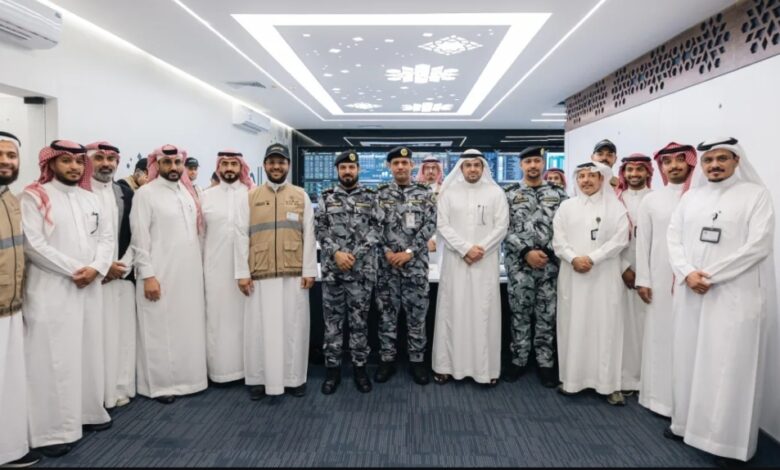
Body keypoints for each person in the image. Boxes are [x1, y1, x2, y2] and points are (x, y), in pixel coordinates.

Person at [666, 138, 775, 464]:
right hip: (691, 292)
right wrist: (687, 273)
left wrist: (709, 275)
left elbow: (758, 245)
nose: (714, 165)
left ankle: (725, 442)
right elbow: (673, 238)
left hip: (733, 295)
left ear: (736, 161)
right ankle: (684, 424)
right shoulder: (691, 198)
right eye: (709, 159)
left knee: (728, 366)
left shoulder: (756, 195)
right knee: (688, 358)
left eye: (722, 158)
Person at [22, 140, 114, 457]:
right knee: (53, 358)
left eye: (78, 162)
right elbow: (33, 245)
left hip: (89, 287)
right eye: (66, 161)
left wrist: (97, 267)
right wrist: (78, 270)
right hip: (51, 289)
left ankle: (87, 412)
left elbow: (106, 239)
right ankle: (51, 431)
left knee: (87, 351)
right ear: (51, 164)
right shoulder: (33, 196)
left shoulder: (91, 198)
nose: (74, 167)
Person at [236, 144, 316, 400]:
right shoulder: (250, 197)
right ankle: (259, 380)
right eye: (272, 162)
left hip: (293, 273)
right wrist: (242, 273)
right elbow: (240, 236)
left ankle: (294, 379)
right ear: (265, 165)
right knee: (259, 330)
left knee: (293, 328)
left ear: (288, 165)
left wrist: (309, 270)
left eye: (281, 162)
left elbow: (309, 234)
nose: (276, 166)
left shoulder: (301, 196)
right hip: (259, 273)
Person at [130, 144, 207, 404]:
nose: (173, 168)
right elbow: (139, 238)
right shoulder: (146, 194)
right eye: (167, 163)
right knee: (160, 329)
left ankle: (191, 380)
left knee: (187, 328)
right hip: (159, 274)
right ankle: (161, 386)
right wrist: (147, 275)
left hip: (189, 276)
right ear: (157, 165)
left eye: (177, 163)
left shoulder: (187, 193)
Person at [552, 162, 629, 406]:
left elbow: (620, 240)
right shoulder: (566, 207)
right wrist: (574, 258)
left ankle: (608, 385)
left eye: (591, 176)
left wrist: (592, 258)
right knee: (573, 325)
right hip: (573, 275)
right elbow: (558, 240)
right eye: (581, 176)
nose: (586, 180)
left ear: (601, 179)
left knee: (605, 328)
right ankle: (572, 380)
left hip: (604, 276)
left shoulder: (616, 208)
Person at [431, 149, 508, 386]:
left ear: (483, 167)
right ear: (461, 168)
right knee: (452, 311)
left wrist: (479, 249)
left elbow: (502, 226)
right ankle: (446, 367)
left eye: (477, 165)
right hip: (456, 262)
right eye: (468, 165)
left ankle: (486, 370)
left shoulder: (495, 193)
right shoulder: (448, 193)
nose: (473, 169)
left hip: (485, 262)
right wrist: (465, 249)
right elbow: (442, 225)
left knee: (484, 314)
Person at [634, 142, 697, 417]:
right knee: (660, 336)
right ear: (661, 167)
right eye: (667, 162)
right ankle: (658, 399)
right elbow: (643, 242)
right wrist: (643, 279)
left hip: (693, 280)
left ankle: (687, 403)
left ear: (690, 163)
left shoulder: (699, 197)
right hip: (659, 277)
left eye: (679, 160)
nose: (674, 166)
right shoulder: (652, 200)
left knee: (689, 339)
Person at [503, 147, 568, 387]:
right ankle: (518, 360)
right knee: (519, 313)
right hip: (519, 265)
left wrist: (547, 252)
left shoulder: (558, 194)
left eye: (537, 161)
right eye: (528, 161)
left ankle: (545, 362)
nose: (533, 165)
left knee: (546, 314)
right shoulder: (509, 194)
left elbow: (566, 227)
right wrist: (525, 252)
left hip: (550, 266)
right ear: (521, 165)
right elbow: (502, 228)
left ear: (543, 164)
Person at [316, 150, 378, 394]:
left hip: (361, 274)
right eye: (343, 168)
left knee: (359, 323)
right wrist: (336, 253)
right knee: (332, 324)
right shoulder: (326, 197)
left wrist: (354, 255)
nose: (347, 171)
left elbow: (377, 229)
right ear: (338, 171)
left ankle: (360, 369)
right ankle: (332, 371)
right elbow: (319, 228)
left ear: (358, 169)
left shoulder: (371, 197)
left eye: (352, 167)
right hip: (334, 273)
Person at [374, 146, 436, 386]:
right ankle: (386, 360)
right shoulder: (379, 194)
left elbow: (431, 224)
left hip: (415, 267)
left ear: (412, 165)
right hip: (387, 267)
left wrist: (409, 252)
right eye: (396, 163)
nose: (400, 167)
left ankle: (417, 361)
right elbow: (373, 226)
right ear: (389, 167)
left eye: (404, 163)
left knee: (417, 317)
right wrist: (387, 252)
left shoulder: (425, 193)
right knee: (386, 316)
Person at [0, 132, 41, 467]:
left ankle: (9, 450)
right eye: (0, 155)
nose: (5, 161)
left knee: (9, 385)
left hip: (11, 307)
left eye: (11, 156)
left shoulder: (12, 201)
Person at [87, 141, 136, 410]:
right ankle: (96, 394)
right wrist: (101, 267)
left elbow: (137, 233)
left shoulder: (125, 193)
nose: (106, 164)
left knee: (122, 336)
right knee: (96, 337)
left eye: (111, 159)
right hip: (91, 278)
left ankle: (120, 387)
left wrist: (123, 266)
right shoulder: (79, 193)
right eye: (99, 158)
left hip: (122, 276)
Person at [201, 149, 253, 384]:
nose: (229, 168)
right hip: (215, 270)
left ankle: (248, 369)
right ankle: (220, 371)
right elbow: (200, 236)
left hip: (248, 270)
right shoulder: (205, 197)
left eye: (234, 164)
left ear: (241, 167)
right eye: (225, 164)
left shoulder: (251, 194)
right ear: (218, 168)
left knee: (246, 320)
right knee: (218, 320)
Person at [615, 154, 653, 394]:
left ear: (648, 172)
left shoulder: (656, 199)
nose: (634, 174)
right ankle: (626, 379)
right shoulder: (616, 200)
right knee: (624, 326)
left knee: (647, 326)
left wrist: (646, 274)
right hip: (621, 270)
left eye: (640, 169)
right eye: (630, 170)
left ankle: (648, 380)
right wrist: (624, 268)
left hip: (652, 272)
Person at [416, 155, 444, 266]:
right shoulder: (414, 191)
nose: (430, 171)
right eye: (427, 168)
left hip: (441, 242)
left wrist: (435, 239)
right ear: (422, 171)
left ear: (439, 171)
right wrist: (424, 241)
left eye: (434, 168)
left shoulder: (446, 191)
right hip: (418, 244)